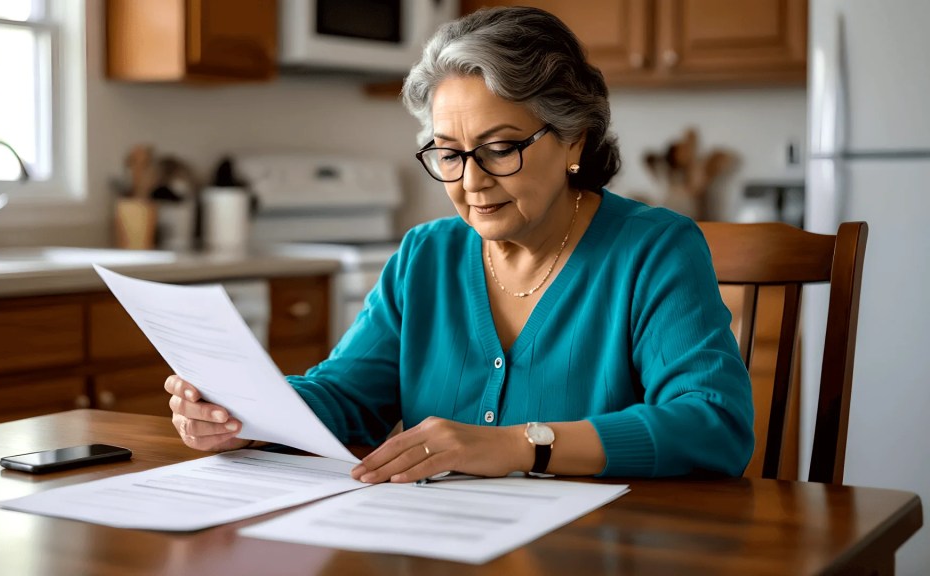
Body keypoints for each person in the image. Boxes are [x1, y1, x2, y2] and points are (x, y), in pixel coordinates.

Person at [165, 6, 754, 482]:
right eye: (448, 153)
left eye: (501, 147)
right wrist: (247, 413)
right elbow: (345, 394)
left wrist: (521, 446)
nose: (471, 181)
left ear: (573, 139)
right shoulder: (425, 256)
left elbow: (713, 423)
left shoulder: (654, 250)